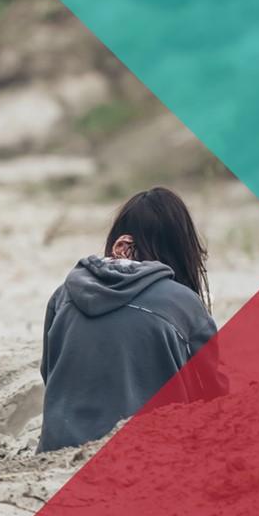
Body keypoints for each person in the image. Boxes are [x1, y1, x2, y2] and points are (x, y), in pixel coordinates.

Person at [37, 186, 228, 453]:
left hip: (58, 449)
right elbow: (213, 395)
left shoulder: (64, 292)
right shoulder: (184, 303)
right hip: (150, 450)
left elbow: (50, 372)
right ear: (180, 247)